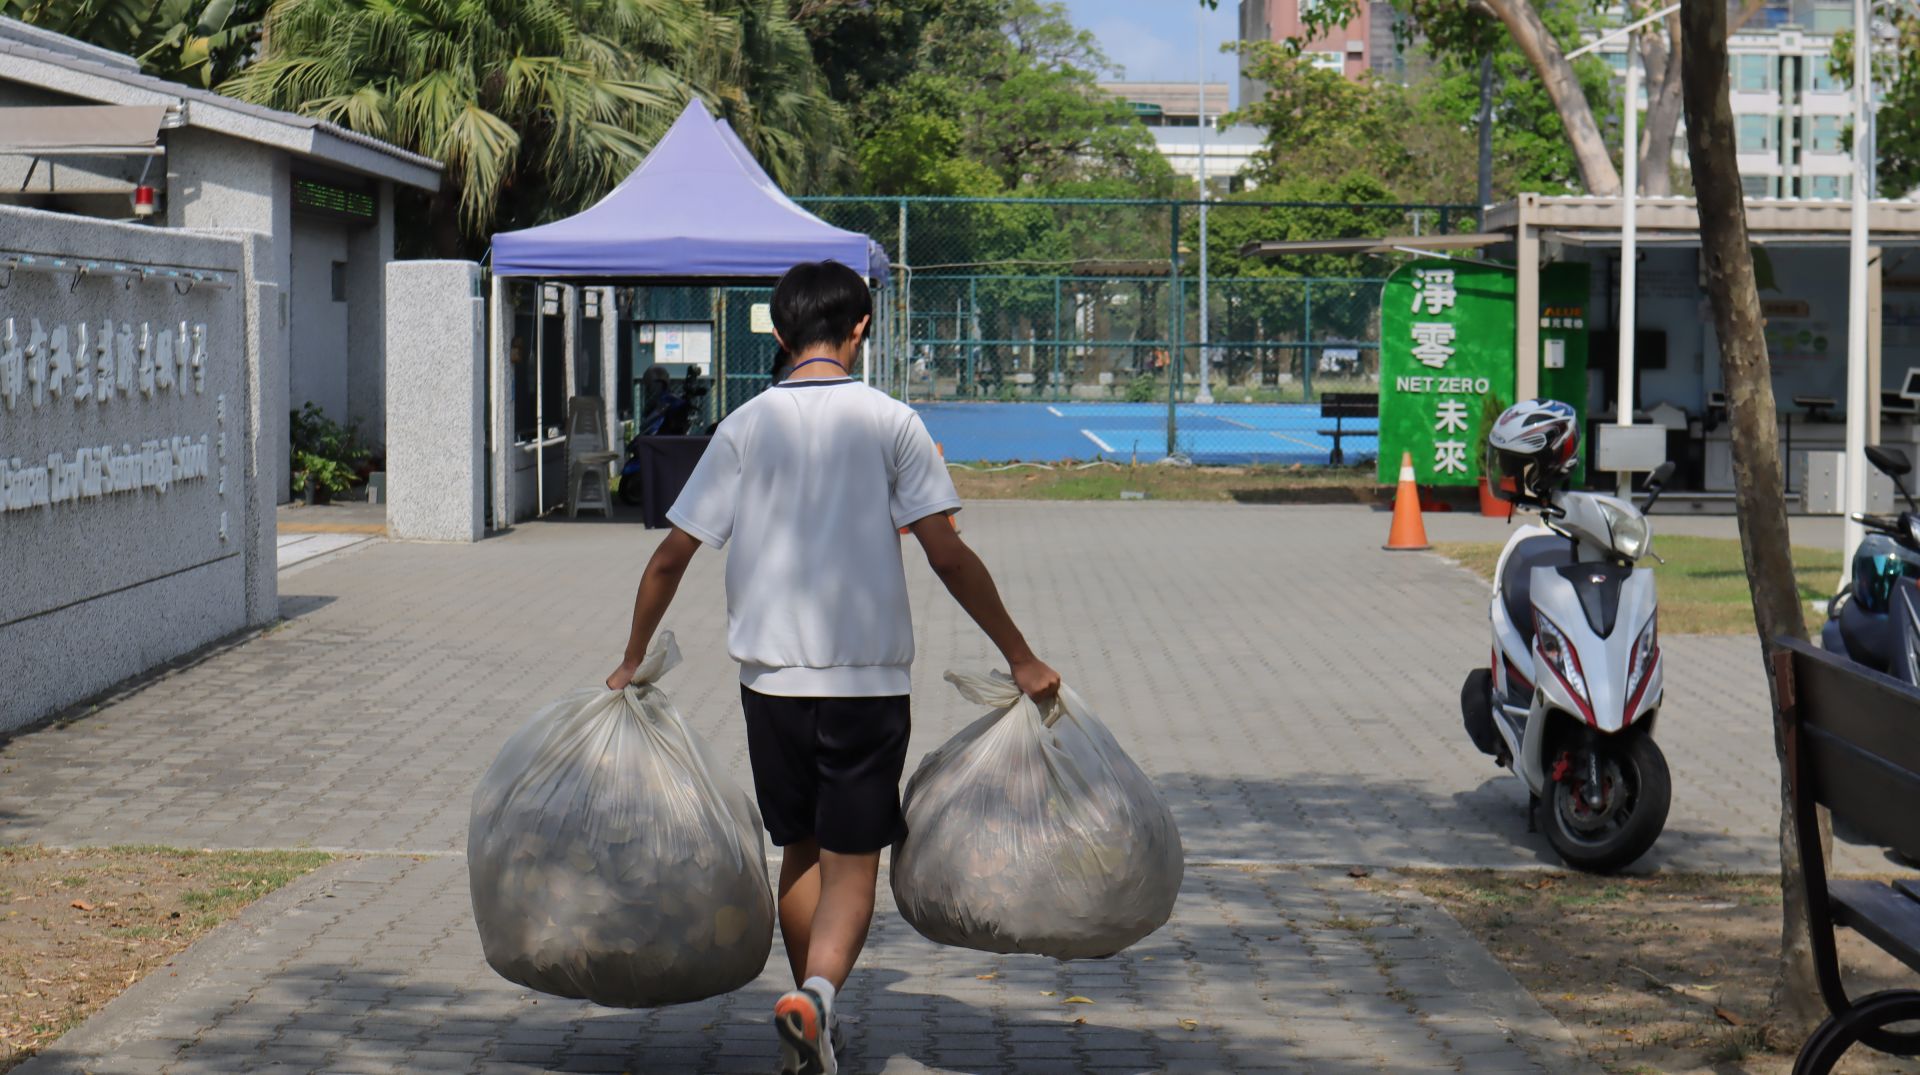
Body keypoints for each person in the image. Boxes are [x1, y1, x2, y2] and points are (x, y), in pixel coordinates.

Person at [605, 260, 1058, 1075]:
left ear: (779, 334)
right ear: (862, 329)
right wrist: (1019, 655)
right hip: (868, 683)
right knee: (856, 860)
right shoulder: (893, 423)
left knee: (801, 849)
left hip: (768, 685)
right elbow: (947, 555)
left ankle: (811, 1019)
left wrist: (633, 657)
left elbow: (672, 556)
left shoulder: (744, 426)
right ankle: (816, 998)